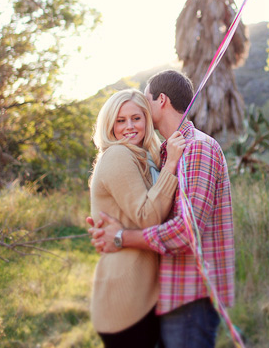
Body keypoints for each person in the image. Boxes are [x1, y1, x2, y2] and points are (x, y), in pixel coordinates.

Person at [87, 70, 235, 348]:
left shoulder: (196, 149)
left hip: (190, 294)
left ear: (161, 101)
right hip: (163, 294)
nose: (134, 120)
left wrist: (121, 237)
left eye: (143, 105)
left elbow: (185, 232)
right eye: (121, 119)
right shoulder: (166, 153)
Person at [88, 88, 185, 347]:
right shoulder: (118, 156)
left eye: (136, 118)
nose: (129, 127)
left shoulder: (140, 157)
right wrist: (172, 164)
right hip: (126, 300)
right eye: (120, 121)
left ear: (147, 120)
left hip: (143, 292)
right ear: (110, 125)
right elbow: (148, 217)